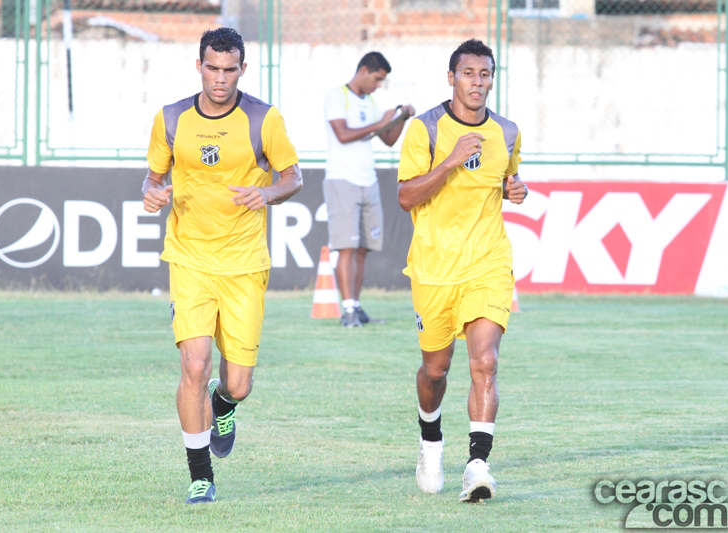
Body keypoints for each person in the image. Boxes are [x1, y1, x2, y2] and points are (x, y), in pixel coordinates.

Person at [141, 27, 302, 504]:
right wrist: (151, 194)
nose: (220, 78)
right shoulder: (171, 118)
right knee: (193, 364)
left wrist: (268, 192)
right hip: (189, 259)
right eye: (212, 68)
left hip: (245, 264)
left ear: (242, 70)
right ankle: (200, 475)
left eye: (229, 70)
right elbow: (152, 178)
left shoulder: (263, 118)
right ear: (199, 66)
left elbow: (294, 175)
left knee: (239, 382)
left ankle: (224, 403)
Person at [396, 39, 528, 503]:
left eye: (485, 74)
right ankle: (430, 438)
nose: (477, 82)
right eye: (468, 73)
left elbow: (508, 178)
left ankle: (478, 464)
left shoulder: (507, 131)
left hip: (488, 262)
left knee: (485, 362)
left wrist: (516, 189)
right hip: (433, 268)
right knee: (435, 369)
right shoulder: (424, 129)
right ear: (451, 77)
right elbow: (407, 196)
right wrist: (451, 160)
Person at [323, 52, 415, 328]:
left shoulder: (370, 102)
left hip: (368, 181)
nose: (378, 86)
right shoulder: (338, 96)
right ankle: (348, 309)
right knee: (347, 247)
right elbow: (344, 134)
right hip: (342, 180)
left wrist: (400, 118)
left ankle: (357, 306)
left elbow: (386, 139)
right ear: (364, 70)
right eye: (377, 79)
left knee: (363, 248)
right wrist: (380, 122)